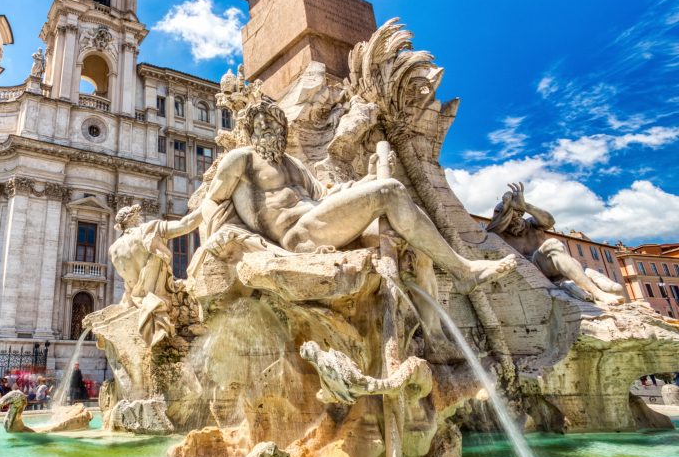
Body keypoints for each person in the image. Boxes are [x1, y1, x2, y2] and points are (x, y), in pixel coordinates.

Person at [202, 98, 516, 292]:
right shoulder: (240, 159)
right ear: (249, 131)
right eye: (258, 126)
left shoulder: (294, 164)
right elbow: (213, 202)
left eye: (270, 123)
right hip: (298, 236)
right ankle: (463, 271)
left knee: (411, 238)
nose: (264, 129)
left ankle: (435, 338)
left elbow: (326, 197)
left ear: (282, 128)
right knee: (390, 191)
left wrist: (367, 177)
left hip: (319, 221)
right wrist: (221, 234)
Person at [487, 183, 624, 305]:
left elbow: (550, 222)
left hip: (554, 269)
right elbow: (490, 231)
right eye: (508, 214)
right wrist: (505, 209)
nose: (514, 218)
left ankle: (591, 280)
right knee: (553, 245)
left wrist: (526, 206)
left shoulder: (532, 225)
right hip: (532, 273)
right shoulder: (497, 234)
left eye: (517, 213)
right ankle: (597, 289)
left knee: (615, 288)